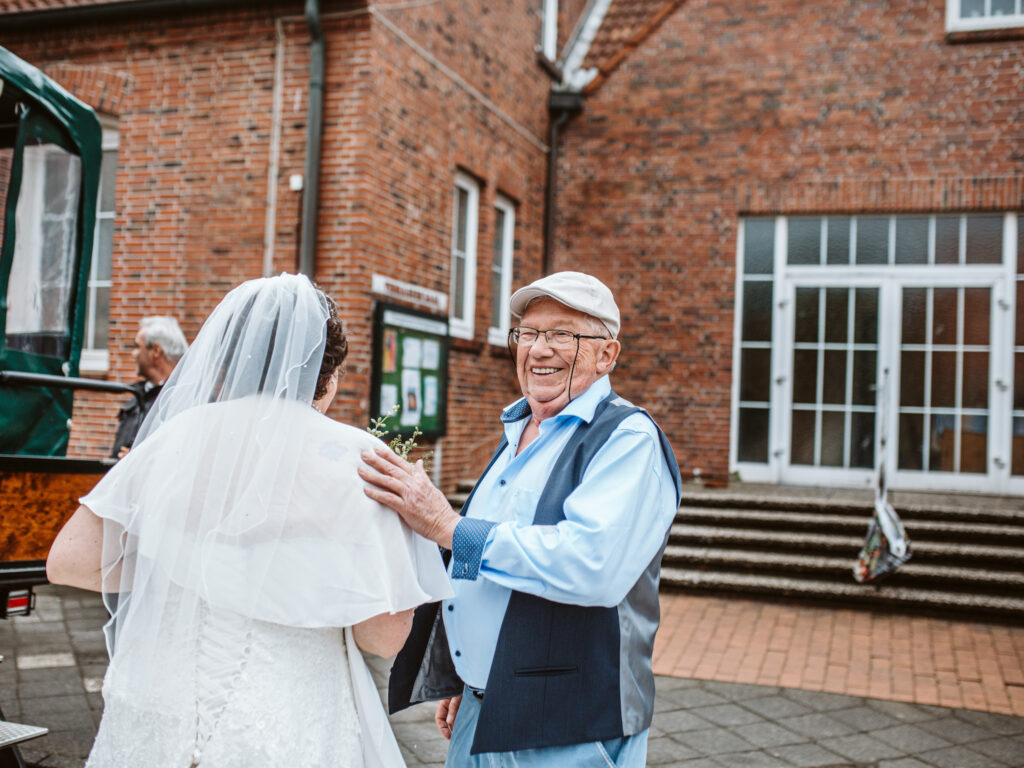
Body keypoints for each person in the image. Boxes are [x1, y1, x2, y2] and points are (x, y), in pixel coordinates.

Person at [48, 273, 452, 768]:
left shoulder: (174, 439)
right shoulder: (364, 462)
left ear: (224, 360)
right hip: (285, 714)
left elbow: (67, 562)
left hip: (158, 696)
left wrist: (181, 566)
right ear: (325, 373)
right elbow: (381, 638)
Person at [359, 271, 682, 767]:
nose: (538, 349)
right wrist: (472, 676)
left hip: (568, 725)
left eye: (561, 334)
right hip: (485, 707)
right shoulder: (520, 428)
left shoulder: (627, 439)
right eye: (528, 333)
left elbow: (592, 566)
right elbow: (489, 574)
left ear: (606, 355)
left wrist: (448, 527)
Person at [110, 316, 188, 458]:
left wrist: (138, 459)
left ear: (156, 351)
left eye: (137, 347)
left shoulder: (184, 399)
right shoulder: (137, 395)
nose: (133, 354)